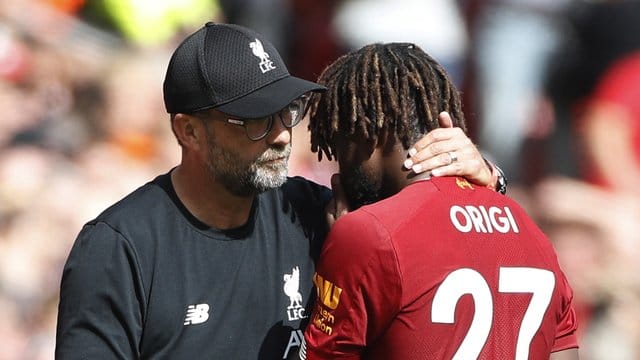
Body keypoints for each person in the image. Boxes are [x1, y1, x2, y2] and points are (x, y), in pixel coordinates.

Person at [55, 23, 500, 359]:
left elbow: (443, 241)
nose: (283, 136)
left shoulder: (316, 214)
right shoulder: (120, 246)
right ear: (188, 131)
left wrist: (484, 176)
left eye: (287, 111)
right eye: (254, 120)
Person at [300, 42, 579, 359]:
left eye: (338, 143)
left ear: (367, 132)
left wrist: (340, 252)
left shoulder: (369, 233)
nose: (339, 166)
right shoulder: (530, 230)